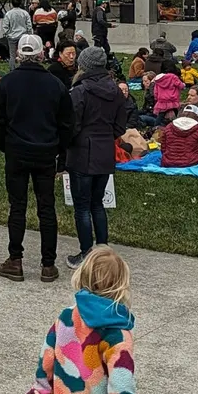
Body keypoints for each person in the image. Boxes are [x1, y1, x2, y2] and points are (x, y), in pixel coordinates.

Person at [26, 246, 147, 394]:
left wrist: (43, 391)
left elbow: (46, 358)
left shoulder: (65, 317)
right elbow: (121, 382)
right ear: (121, 286)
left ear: (81, 276)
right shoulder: (117, 332)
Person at [0, 33, 75, 282]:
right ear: (40, 55)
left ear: (19, 55)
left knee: (17, 206)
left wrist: (4, 144)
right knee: (46, 208)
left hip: (16, 150)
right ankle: (48, 264)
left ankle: (15, 260)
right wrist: (60, 149)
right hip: (46, 151)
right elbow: (67, 123)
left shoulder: (6, 83)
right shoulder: (56, 84)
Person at [66, 47, 124, 268]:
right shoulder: (116, 91)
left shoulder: (80, 91)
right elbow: (120, 126)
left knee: (82, 206)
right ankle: (102, 249)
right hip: (105, 150)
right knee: (97, 203)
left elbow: (72, 125)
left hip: (82, 152)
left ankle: (85, 253)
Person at [160, 102, 198, 168]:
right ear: (197, 117)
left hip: (168, 163)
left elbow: (163, 148)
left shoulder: (169, 127)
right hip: (193, 163)